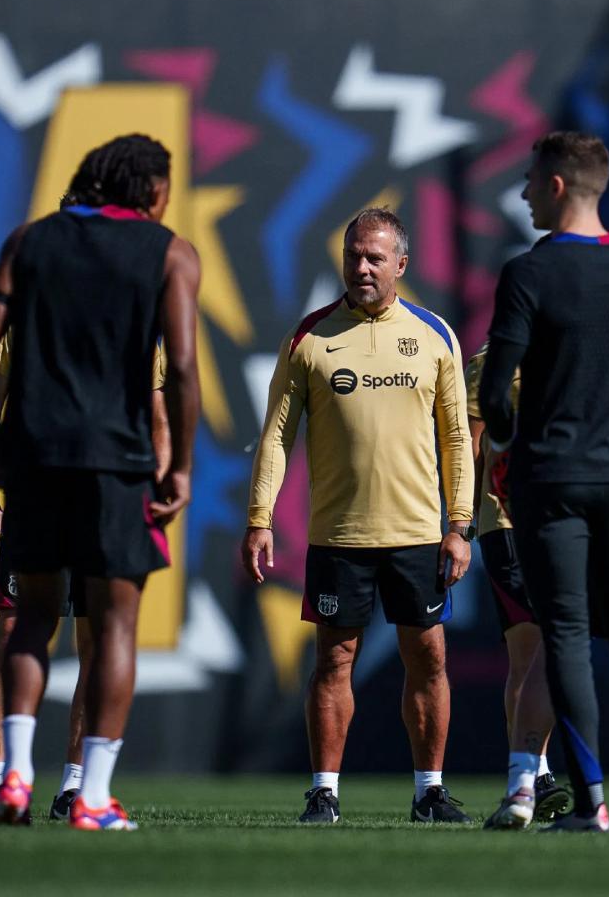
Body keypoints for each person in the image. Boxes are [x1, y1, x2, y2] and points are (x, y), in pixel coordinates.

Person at [0, 134, 198, 831]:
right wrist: (180, 465)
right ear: (152, 190)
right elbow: (181, 368)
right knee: (114, 624)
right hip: (116, 463)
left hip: (37, 458)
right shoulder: (169, 252)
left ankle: (13, 778)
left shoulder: (29, 242)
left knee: (30, 619)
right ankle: (92, 796)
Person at [477, 132, 609, 833]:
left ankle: (591, 804)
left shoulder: (529, 272)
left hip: (551, 479)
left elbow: (495, 395)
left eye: (531, 181)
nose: (523, 194)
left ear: (558, 186)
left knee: (566, 637)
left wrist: (507, 441)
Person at [244, 207, 472, 826]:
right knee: (333, 662)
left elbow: (457, 438)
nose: (362, 267)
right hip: (339, 535)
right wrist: (260, 518)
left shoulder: (434, 335)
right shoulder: (311, 336)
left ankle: (429, 792)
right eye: (353, 256)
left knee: (428, 660)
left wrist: (459, 526)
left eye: (375, 258)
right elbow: (276, 436)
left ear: (402, 264)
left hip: (418, 534)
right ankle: (324, 793)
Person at [0, 310, 173, 820]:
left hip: (108, 498)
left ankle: (77, 786)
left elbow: (159, 413)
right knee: (15, 627)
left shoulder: (134, 317)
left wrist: (161, 482)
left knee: (97, 635)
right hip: (38, 490)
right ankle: (5, 778)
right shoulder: (28, 317)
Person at [469, 343, 573, 830]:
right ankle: (536, 774)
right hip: (507, 522)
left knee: (545, 652)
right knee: (530, 653)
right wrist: (463, 519)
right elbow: (469, 445)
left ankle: (534, 774)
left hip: (564, 519)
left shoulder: (578, 343)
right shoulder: (492, 359)